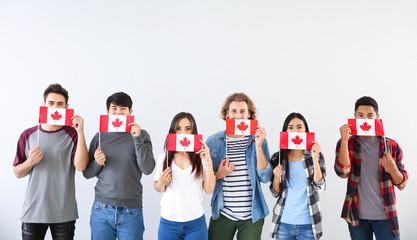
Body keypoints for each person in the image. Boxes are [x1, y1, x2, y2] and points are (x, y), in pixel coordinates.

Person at [13, 83, 89, 240]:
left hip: (64, 213)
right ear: (44, 105)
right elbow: (17, 173)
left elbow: (81, 166)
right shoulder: (27, 135)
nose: (55, 106)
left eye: (60, 104)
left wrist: (80, 132)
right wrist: (30, 162)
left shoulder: (73, 134)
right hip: (33, 212)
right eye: (51, 103)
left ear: (66, 107)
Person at [83, 92, 155, 240]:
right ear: (108, 112)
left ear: (130, 112)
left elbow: (147, 169)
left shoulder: (142, 135)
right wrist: (97, 163)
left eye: (123, 108)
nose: (118, 112)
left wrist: (136, 138)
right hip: (101, 209)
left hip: (131, 210)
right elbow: (87, 173)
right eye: (114, 108)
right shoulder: (100, 136)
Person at [335, 96, 408, 240]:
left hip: (386, 215)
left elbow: (402, 183)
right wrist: (344, 140)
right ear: (355, 117)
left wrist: (392, 168)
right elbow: (342, 172)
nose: (365, 120)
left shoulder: (391, 146)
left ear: (377, 118)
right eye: (361, 115)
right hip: (357, 216)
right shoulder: (347, 143)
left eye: (370, 116)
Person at [206, 92, 272, 240]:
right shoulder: (213, 141)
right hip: (223, 213)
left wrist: (259, 146)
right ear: (227, 114)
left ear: (249, 114)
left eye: (242, 111)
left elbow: (266, 177)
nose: (238, 115)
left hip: (251, 216)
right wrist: (219, 174)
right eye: (234, 111)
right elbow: (204, 181)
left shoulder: (258, 140)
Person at [154, 112, 216, 240]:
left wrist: (209, 161)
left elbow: (209, 190)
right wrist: (161, 183)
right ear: (173, 131)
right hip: (169, 223)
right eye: (178, 128)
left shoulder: (201, 158)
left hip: (196, 223)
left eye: (188, 129)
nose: (183, 133)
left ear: (193, 131)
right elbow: (158, 187)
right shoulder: (164, 158)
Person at [270, 113, 326, 240]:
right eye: (291, 127)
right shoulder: (278, 158)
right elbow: (275, 193)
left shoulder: (315, 155)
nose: (295, 130)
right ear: (285, 131)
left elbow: (320, 187)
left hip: (309, 224)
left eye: (299, 127)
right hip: (284, 223)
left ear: (306, 130)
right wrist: (276, 178)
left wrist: (315, 159)